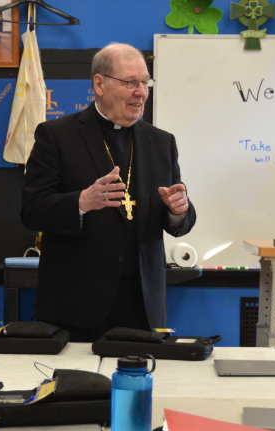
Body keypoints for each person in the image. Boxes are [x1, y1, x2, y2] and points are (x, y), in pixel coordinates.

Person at [21, 42, 196, 342]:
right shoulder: (56, 136)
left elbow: (178, 220)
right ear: (99, 84)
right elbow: (32, 210)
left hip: (143, 306)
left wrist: (178, 211)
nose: (140, 92)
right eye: (130, 82)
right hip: (75, 306)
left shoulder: (162, 142)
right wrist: (80, 202)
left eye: (145, 83)